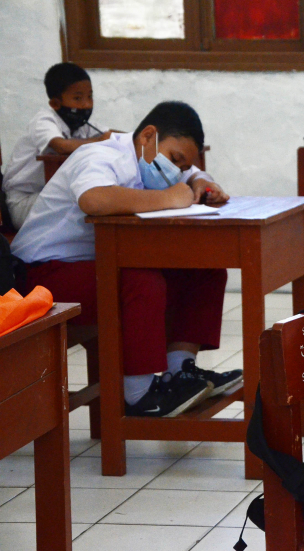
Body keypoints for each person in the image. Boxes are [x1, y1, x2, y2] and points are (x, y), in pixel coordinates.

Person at [11, 101, 242, 417]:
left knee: (205, 270)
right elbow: (93, 198)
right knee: (141, 280)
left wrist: (199, 181)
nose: (178, 170)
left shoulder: (150, 157)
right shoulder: (100, 156)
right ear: (148, 136)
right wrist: (168, 198)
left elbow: (191, 170)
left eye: (183, 166)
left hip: (92, 266)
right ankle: (139, 394)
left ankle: (181, 371)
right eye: (175, 159)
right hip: (42, 275)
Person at [2, 62, 113, 229]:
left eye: (90, 96)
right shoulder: (44, 121)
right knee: (89, 202)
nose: (86, 105)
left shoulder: (82, 126)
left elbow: (110, 134)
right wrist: (100, 141)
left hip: (49, 197)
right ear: (55, 104)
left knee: (97, 199)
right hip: (24, 202)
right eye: (78, 98)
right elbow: (60, 145)